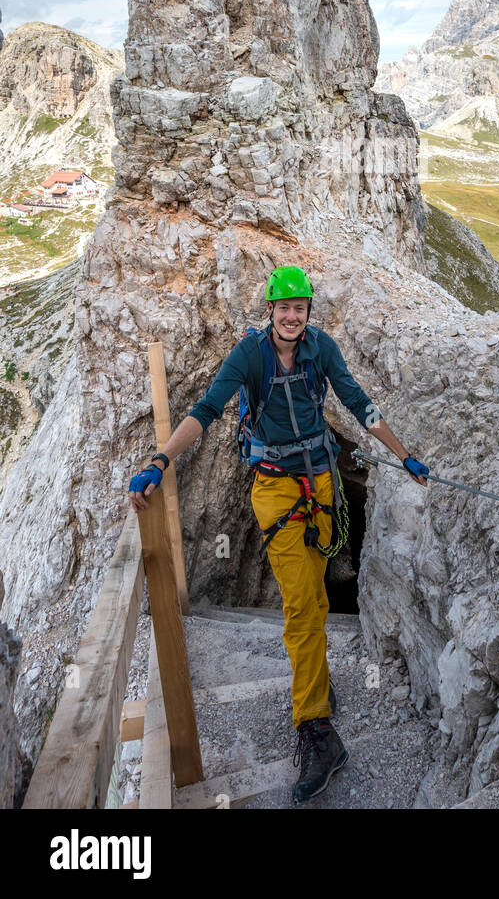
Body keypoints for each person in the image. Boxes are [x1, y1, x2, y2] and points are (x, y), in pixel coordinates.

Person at [129, 264, 429, 804]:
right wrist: (160, 459)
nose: (292, 316)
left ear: (308, 311)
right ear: (270, 311)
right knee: (298, 608)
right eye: (284, 307)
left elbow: (361, 404)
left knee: (314, 600)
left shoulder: (322, 350)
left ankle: (314, 681)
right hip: (276, 492)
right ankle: (316, 728)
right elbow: (205, 411)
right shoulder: (250, 357)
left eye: (301, 307)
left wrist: (405, 456)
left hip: (321, 484)